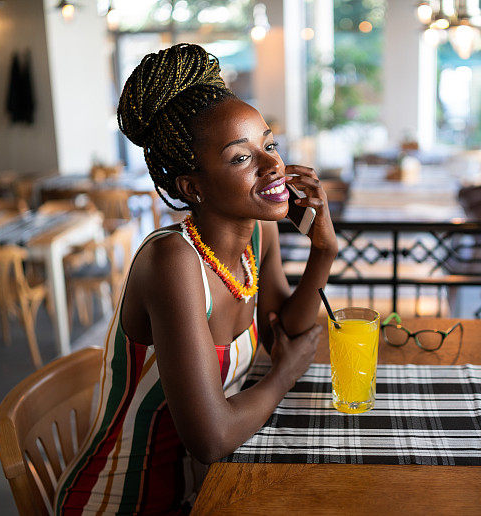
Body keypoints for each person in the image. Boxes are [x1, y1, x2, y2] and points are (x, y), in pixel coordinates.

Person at [54, 44, 337, 514]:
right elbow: (213, 437)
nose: (272, 167)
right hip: (128, 499)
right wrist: (284, 373)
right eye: (240, 158)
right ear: (192, 187)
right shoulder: (172, 264)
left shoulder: (258, 232)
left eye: (269, 145)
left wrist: (323, 250)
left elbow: (284, 329)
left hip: (205, 489)